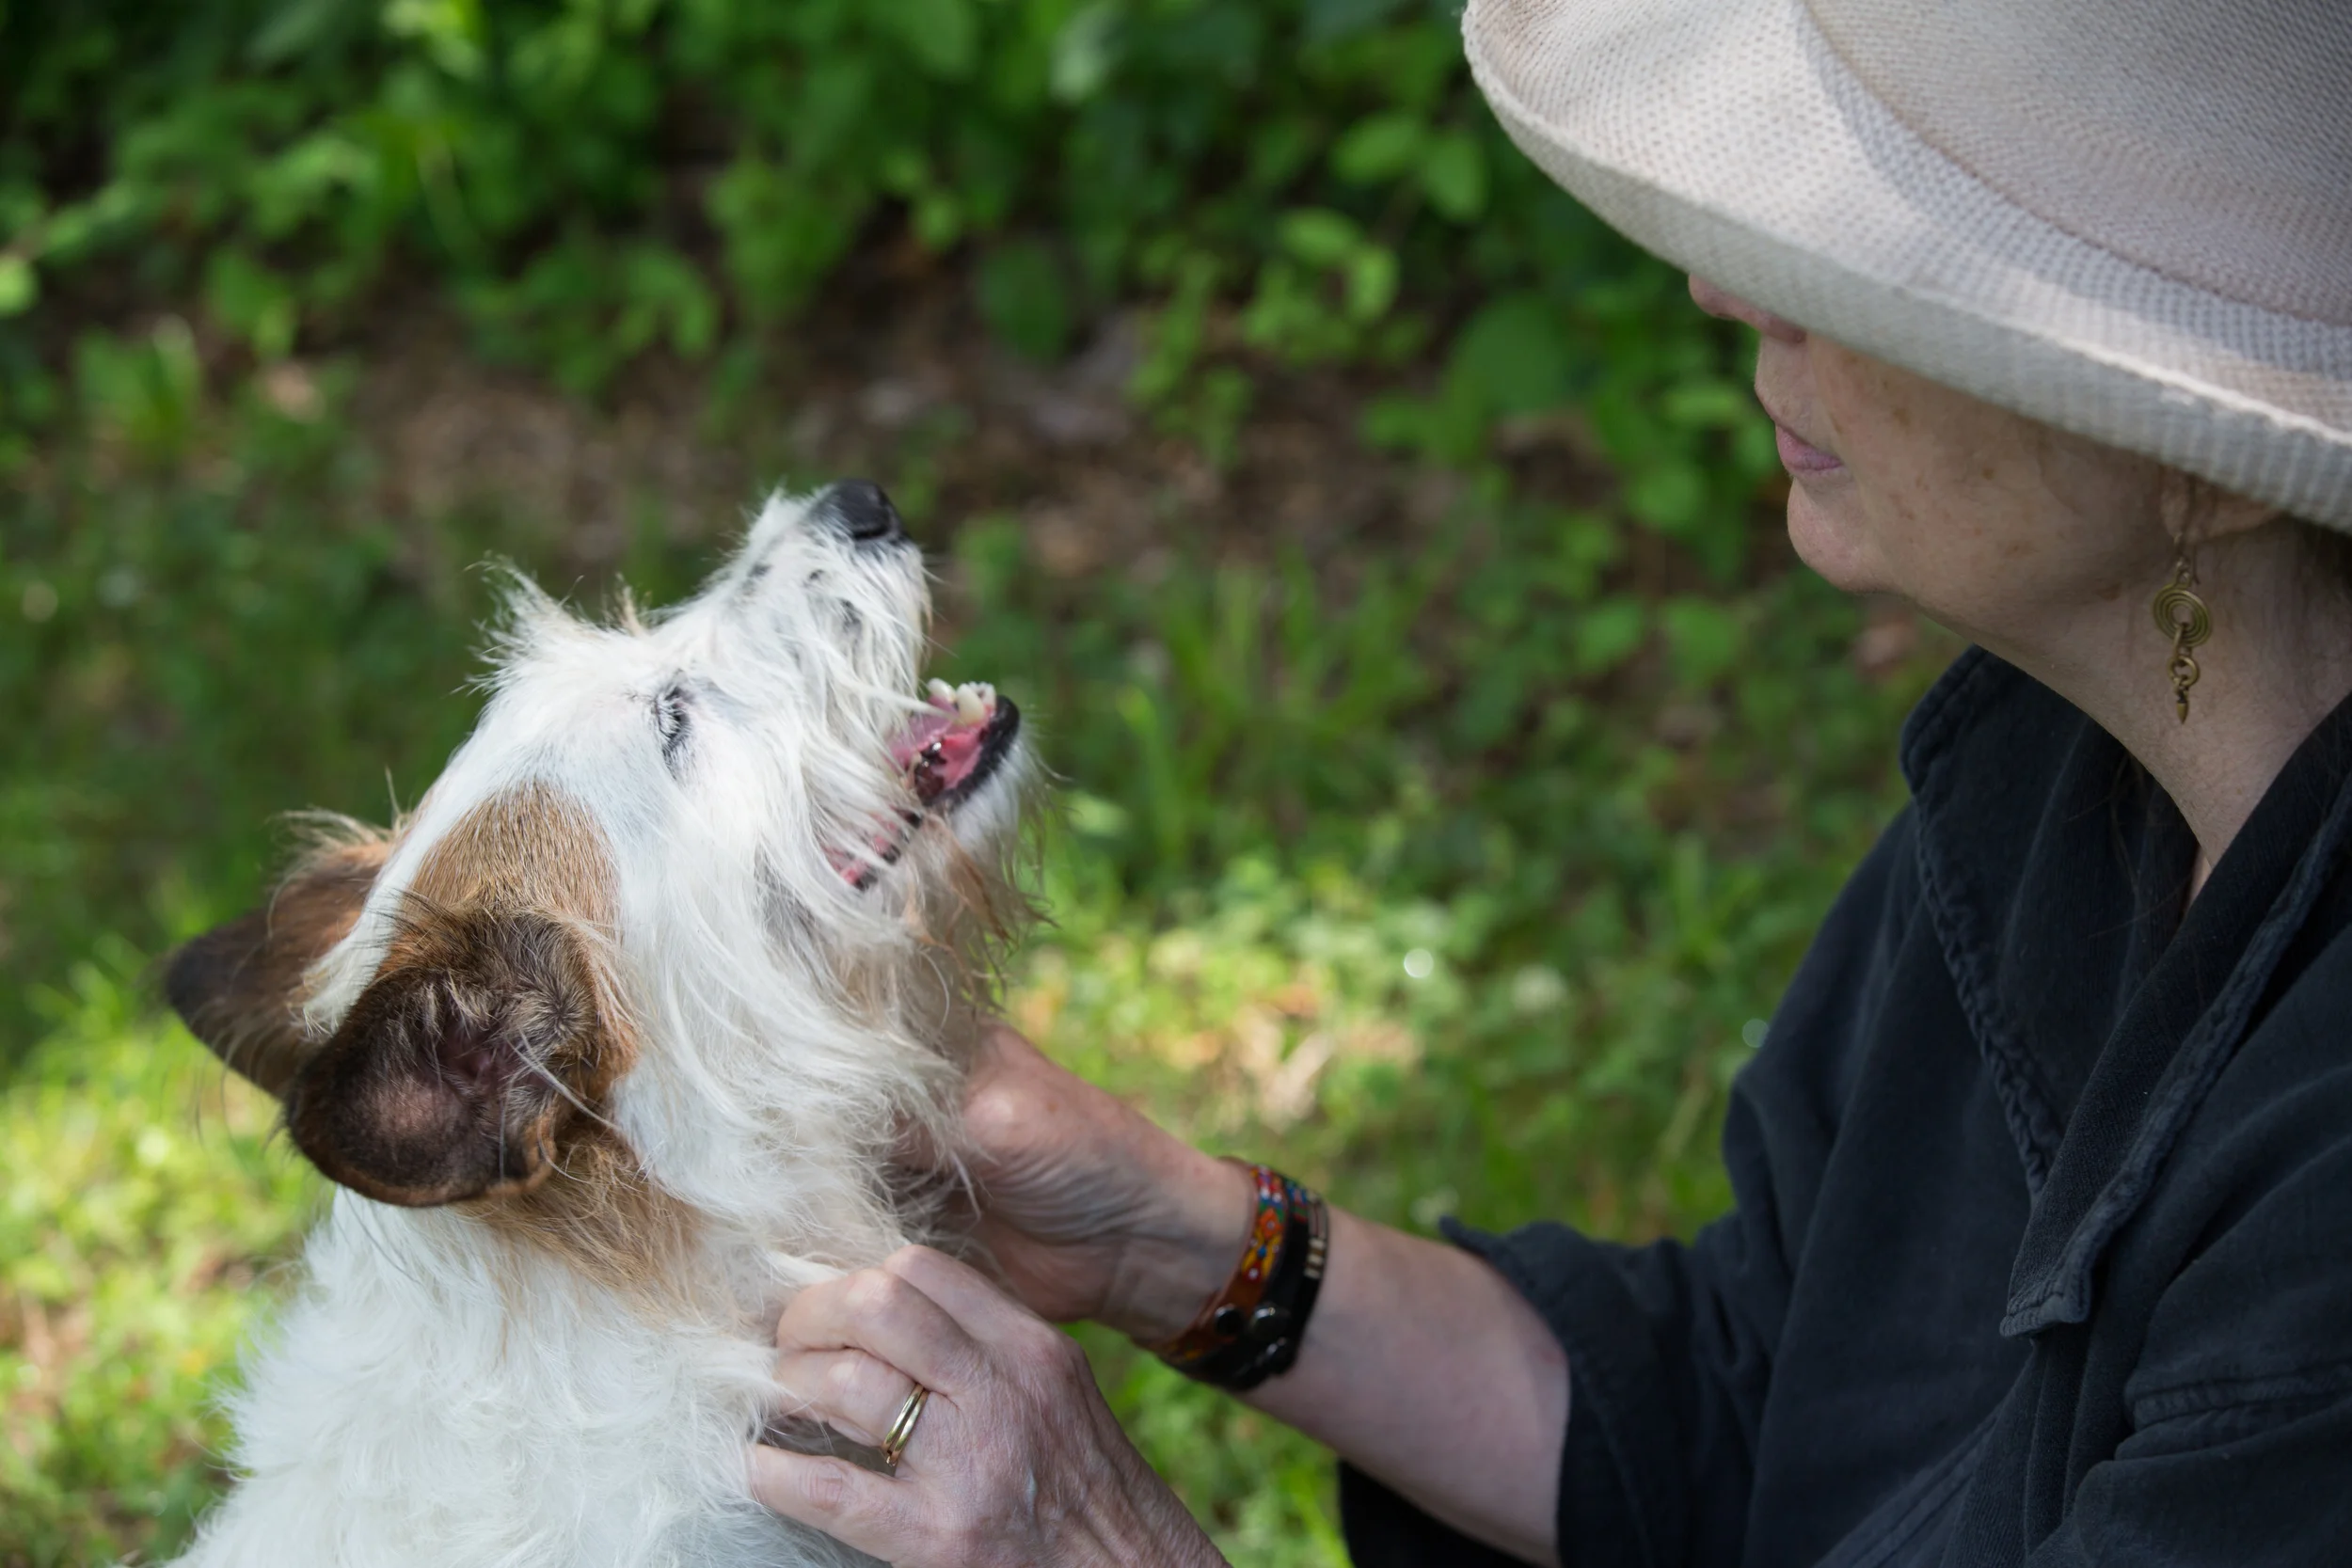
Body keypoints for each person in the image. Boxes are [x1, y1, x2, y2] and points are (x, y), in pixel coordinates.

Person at [745, 0, 2352, 1561]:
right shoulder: (2069, 775)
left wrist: (1095, 1540)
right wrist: (1160, 1229)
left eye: (1885, 270)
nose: (1730, 288)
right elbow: (1768, 1413)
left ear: (2200, 456)